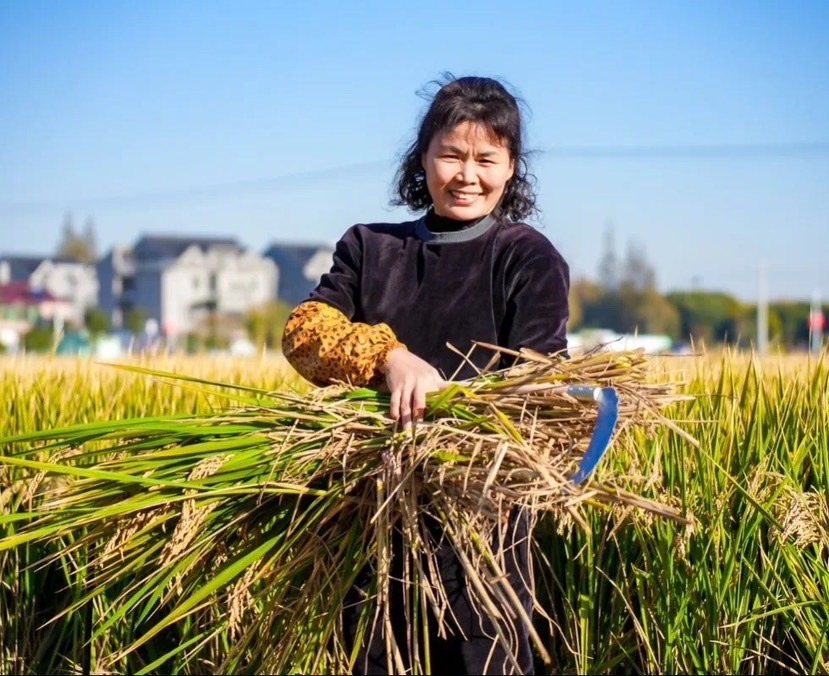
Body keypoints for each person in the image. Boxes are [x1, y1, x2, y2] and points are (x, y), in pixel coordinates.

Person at [282, 74, 569, 675]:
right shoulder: (368, 248)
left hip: (484, 535)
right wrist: (390, 357)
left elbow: (539, 389)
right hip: (372, 526)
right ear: (424, 158)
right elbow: (303, 334)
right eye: (452, 155)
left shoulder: (526, 257)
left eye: (487, 158)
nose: (468, 175)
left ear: (512, 167)